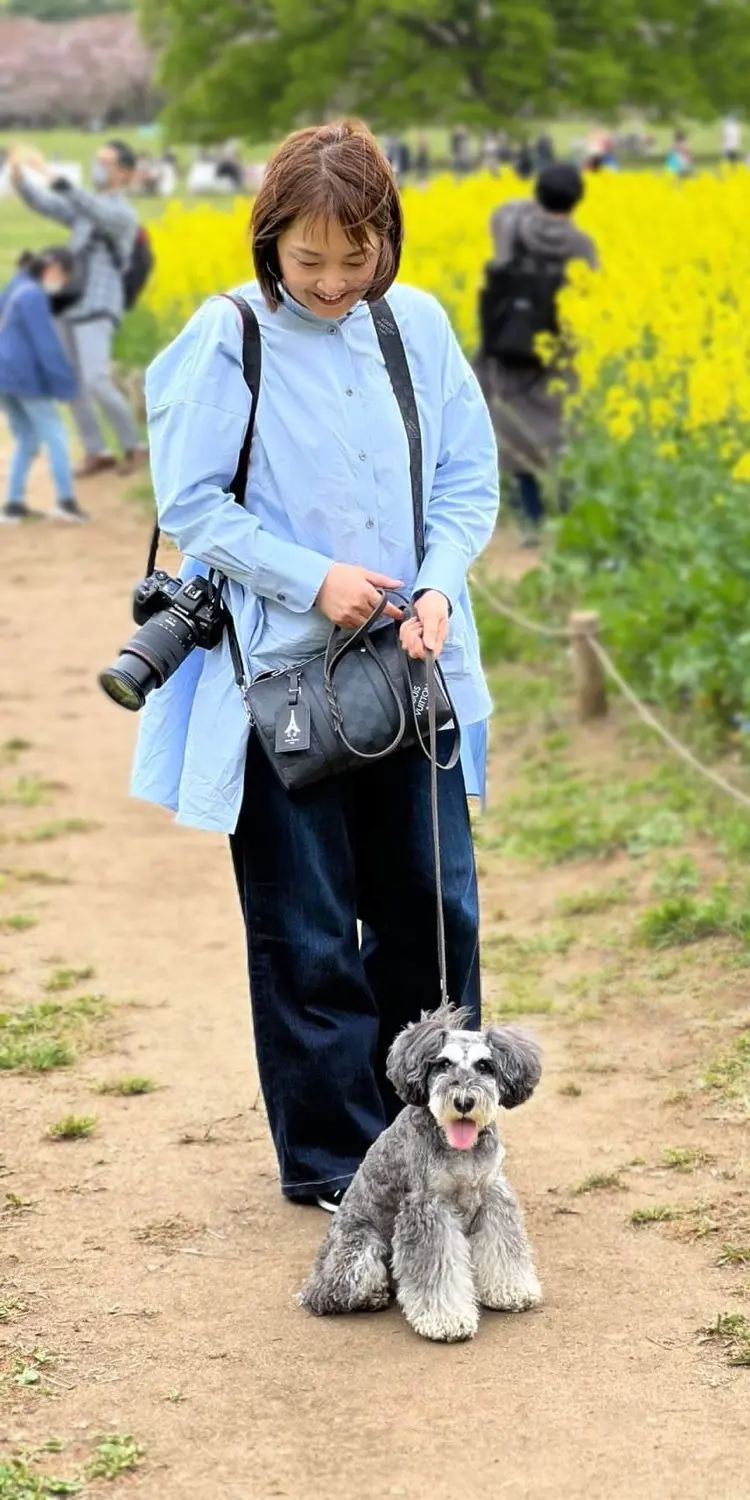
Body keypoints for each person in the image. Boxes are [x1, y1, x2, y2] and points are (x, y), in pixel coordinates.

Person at [130, 119, 499, 1212]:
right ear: (268, 243)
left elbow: (466, 478)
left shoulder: (416, 324)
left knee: (436, 910)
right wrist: (311, 578)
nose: (335, 282)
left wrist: (437, 582)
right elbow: (192, 503)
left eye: (357, 255)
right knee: (307, 931)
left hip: (411, 665)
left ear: (389, 238)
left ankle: (438, 1135)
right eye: (309, 260)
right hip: (280, 685)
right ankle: (339, 1162)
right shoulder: (229, 335)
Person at [7, 140, 146, 478]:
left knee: (96, 379)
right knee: (71, 381)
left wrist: (50, 173)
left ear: (124, 173)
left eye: (106, 162)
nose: (98, 167)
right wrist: (20, 179)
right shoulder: (87, 209)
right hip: (71, 302)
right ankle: (96, 450)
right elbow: (49, 205)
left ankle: (135, 446)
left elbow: (91, 207)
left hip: (99, 303)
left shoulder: (123, 215)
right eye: (97, 160)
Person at [475, 163, 596, 541]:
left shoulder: (512, 227)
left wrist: (533, 203)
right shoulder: (580, 244)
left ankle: (530, 518)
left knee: (514, 427)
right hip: (557, 350)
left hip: (509, 341)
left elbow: (501, 212)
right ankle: (564, 511)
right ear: (577, 199)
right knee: (558, 430)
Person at [0, 248, 80, 523]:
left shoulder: (16, 285)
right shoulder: (33, 295)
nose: (62, 283)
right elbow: (46, 345)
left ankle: (13, 505)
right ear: (53, 268)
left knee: (27, 438)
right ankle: (66, 502)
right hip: (25, 377)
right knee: (55, 434)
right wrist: (65, 385)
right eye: (64, 276)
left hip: (4, 376)